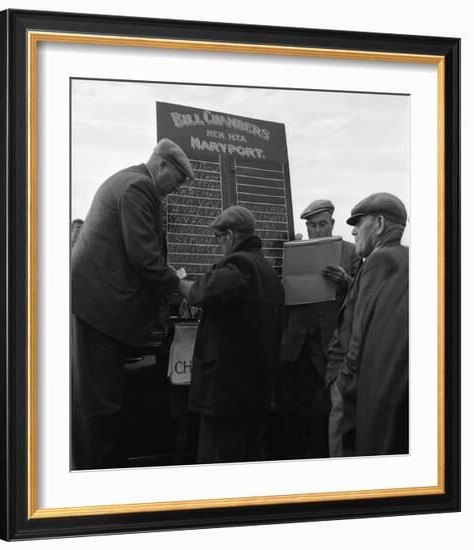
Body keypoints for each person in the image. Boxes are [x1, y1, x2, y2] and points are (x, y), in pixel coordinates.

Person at [71, 138, 194, 469]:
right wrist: (182, 287)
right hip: (101, 312)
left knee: (99, 400)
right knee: (99, 405)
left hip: (97, 309)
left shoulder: (129, 182)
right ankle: (93, 480)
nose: (179, 188)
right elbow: (144, 257)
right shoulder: (140, 187)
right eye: (178, 179)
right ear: (161, 166)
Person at [179, 206, 285, 464]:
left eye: (218, 238)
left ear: (229, 235)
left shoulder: (241, 264)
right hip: (255, 394)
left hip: (227, 397)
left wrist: (175, 283)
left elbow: (203, 292)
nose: (218, 245)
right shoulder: (269, 272)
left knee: (218, 464)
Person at [326, 192, 409, 457]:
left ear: (380, 224)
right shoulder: (402, 258)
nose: (353, 234)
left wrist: (343, 382)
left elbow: (361, 332)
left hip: (354, 385)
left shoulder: (379, 259)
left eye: (359, 224)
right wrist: (349, 283)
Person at [276, 199, 360, 459]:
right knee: (292, 408)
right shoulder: (296, 250)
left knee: (325, 409)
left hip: (329, 346)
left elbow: (364, 293)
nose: (317, 230)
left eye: (322, 224)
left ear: (332, 224)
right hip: (297, 346)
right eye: (312, 225)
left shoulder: (350, 252)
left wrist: (346, 282)